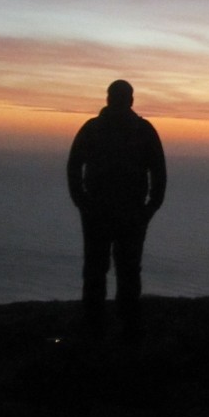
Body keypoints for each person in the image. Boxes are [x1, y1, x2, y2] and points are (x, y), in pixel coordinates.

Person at [66, 79, 166, 338]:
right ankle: (122, 326)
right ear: (130, 100)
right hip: (117, 212)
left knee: (105, 270)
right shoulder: (140, 130)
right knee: (122, 270)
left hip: (112, 212)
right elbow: (159, 173)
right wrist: (150, 207)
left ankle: (101, 326)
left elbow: (74, 167)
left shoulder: (94, 129)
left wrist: (149, 207)